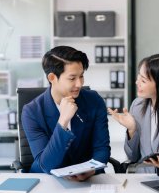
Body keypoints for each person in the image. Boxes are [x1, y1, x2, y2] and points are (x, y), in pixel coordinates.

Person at [22, 45, 111, 181]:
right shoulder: (32, 112)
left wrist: (92, 170)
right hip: (47, 180)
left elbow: (102, 148)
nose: (79, 84)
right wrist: (63, 121)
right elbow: (46, 164)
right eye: (72, 78)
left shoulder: (94, 100)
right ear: (52, 78)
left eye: (81, 76)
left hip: (88, 179)